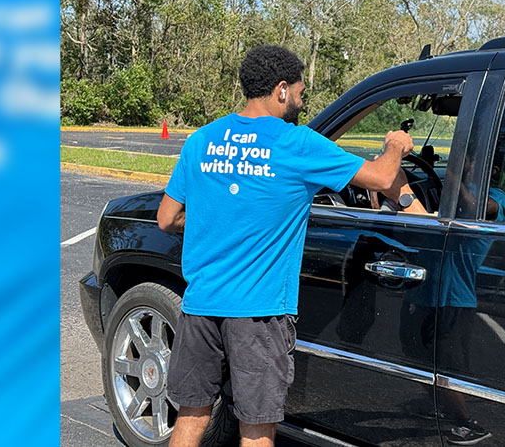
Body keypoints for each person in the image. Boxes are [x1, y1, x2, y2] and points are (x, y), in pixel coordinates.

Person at [156, 45, 414, 447]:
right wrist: (396, 146)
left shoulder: (201, 140)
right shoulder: (298, 144)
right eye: (299, 90)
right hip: (259, 315)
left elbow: (167, 219)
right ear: (280, 90)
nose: (301, 98)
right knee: (257, 430)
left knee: (191, 417)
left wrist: (218, 220)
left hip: (199, 306)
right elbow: (382, 179)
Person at [385, 166, 505, 445]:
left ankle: (466, 423)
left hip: (455, 298)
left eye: (468, 160)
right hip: (420, 292)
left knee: (445, 367)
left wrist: (453, 179)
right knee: (414, 354)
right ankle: (438, 407)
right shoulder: (446, 198)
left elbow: (478, 210)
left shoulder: (498, 198)